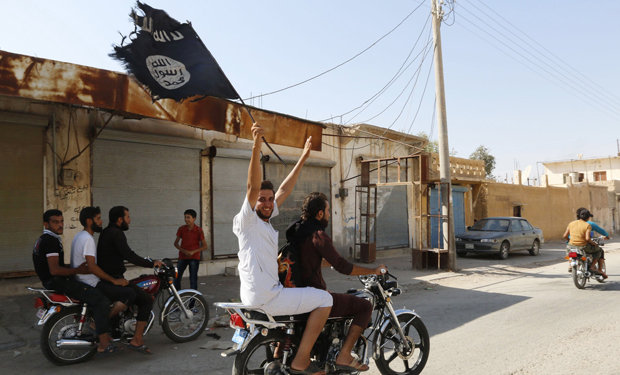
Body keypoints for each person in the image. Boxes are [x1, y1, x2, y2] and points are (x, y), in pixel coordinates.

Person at [233, 123, 332, 375]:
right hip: (267, 297)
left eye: (269, 199)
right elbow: (251, 187)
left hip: (259, 293)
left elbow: (285, 189)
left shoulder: (264, 220)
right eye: (262, 199)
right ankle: (302, 359)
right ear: (253, 202)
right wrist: (256, 144)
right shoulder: (247, 220)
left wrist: (303, 157)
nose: (267, 203)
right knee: (325, 299)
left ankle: (283, 352)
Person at [289, 192, 386, 372]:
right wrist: (373, 270)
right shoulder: (318, 234)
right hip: (315, 296)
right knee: (364, 306)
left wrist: (325, 261)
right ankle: (344, 355)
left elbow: (307, 257)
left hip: (295, 293)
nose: (328, 214)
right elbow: (343, 266)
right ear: (319, 214)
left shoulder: (297, 230)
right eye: (327, 211)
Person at [32, 209, 115, 354]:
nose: (60, 225)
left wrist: (73, 269)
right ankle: (104, 342)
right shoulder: (50, 241)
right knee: (101, 300)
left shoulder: (44, 239)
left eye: (61, 221)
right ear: (46, 224)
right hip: (56, 281)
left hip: (52, 280)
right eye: (55, 222)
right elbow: (55, 270)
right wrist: (78, 270)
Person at [97, 206, 163, 354]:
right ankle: (137, 340)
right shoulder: (117, 233)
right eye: (127, 217)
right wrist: (152, 263)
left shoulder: (106, 232)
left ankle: (116, 331)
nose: (130, 220)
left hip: (107, 278)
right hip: (113, 280)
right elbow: (129, 255)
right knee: (146, 300)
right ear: (120, 219)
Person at [70, 207, 129, 330]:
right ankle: (99, 322)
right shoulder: (88, 239)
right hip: (91, 282)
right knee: (128, 295)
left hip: (80, 280)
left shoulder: (79, 235)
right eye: (98, 219)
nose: (101, 221)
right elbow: (92, 267)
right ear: (89, 221)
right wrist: (114, 280)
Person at [562, 208, 607, 279]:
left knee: (570, 254)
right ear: (588, 217)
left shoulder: (571, 224)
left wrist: (570, 240)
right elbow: (587, 239)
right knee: (599, 250)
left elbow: (564, 236)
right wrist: (594, 244)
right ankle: (592, 267)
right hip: (583, 247)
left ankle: (570, 264)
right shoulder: (587, 225)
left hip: (570, 247)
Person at [173, 209, 207, 291]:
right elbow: (176, 243)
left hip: (194, 258)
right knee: (176, 278)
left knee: (193, 280)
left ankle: (193, 302)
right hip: (182, 257)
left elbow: (205, 246)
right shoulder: (181, 229)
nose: (186, 219)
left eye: (188, 217)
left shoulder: (199, 230)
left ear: (194, 218)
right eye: (185, 217)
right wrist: (183, 251)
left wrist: (193, 252)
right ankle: (178, 298)